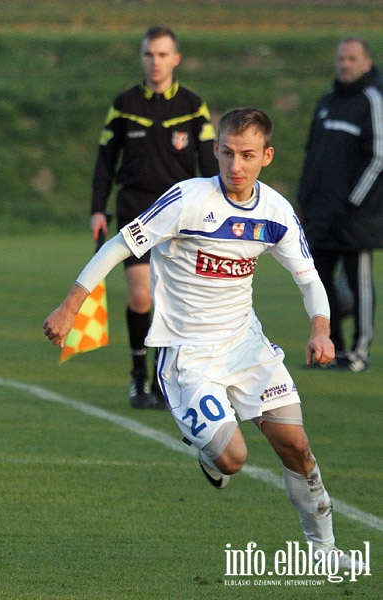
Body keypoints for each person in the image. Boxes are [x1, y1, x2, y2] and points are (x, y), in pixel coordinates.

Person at [44, 108, 361, 568]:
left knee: (297, 446)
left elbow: (309, 278)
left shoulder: (276, 212)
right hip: (187, 354)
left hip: (246, 346)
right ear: (215, 149)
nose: (236, 166)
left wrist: (321, 329)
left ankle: (324, 551)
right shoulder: (186, 200)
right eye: (228, 153)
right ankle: (212, 458)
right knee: (234, 458)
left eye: (248, 155)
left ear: (266, 156)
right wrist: (70, 306)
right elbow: (119, 245)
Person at [91, 26, 219, 409]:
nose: (155, 61)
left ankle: (167, 380)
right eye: (149, 54)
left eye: (163, 54)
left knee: (172, 303)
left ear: (175, 59)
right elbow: (104, 163)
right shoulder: (125, 103)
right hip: (134, 211)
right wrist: (98, 208)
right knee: (142, 296)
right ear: (142, 57)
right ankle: (138, 377)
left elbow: (211, 163)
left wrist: (218, 209)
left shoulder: (194, 106)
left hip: (181, 214)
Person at [297, 37, 383, 373]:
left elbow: (378, 159)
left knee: (359, 282)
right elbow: (312, 155)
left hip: (355, 216)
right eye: (340, 59)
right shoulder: (327, 101)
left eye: (351, 59)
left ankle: (359, 352)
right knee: (319, 281)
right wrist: (304, 199)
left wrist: (353, 203)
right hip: (320, 213)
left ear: (366, 62)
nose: (345, 65)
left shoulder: (372, 100)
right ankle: (332, 348)